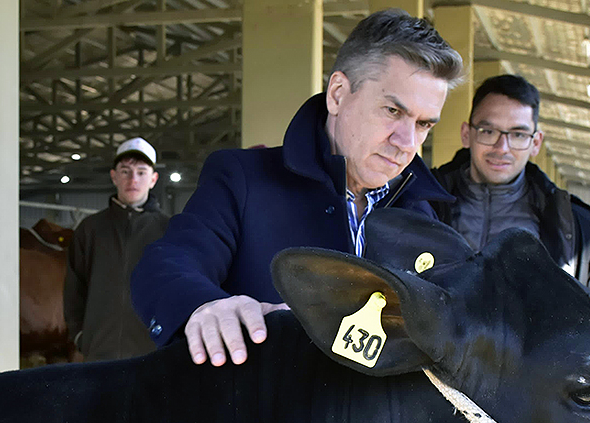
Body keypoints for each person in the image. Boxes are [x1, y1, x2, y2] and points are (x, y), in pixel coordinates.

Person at [130, 9, 464, 367]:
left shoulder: (424, 218)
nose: (407, 142)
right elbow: (169, 263)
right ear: (337, 94)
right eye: (393, 111)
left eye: (424, 124)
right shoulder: (245, 180)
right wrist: (205, 305)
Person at [431, 74, 590, 311]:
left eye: (518, 135)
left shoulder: (578, 226)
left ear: (536, 143)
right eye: (488, 131)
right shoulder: (419, 203)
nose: (502, 148)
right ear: (467, 134)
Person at [64, 137, 169, 362]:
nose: (133, 179)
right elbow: (74, 289)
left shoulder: (168, 231)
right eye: (125, 171)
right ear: (114, 176)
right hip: (99, 354)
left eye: (141, 172)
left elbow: (179, 289)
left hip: (152, 355)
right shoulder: (90, 230)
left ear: (153, 179)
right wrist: (81, 336)